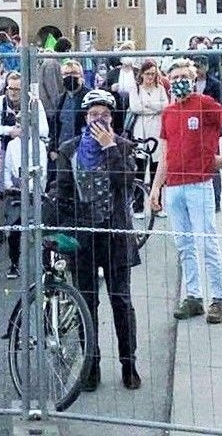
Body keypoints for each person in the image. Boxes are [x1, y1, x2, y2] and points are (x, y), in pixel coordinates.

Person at [53, 89, 141, 391]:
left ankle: (129, 364)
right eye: (93, 115)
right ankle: (91, 366)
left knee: (121, 301)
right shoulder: (70, 149)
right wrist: (65, 231)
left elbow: (127, 182)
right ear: (85, 117)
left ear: (112, 118)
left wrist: (111, 147)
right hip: (84, 239)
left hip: (115, 235)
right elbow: (62, 193)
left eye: (104, 115)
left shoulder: (125, 146)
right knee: (87, 302)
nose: (99, 120)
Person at [150, 59, 222, 324]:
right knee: (184, 244)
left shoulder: (204, 103)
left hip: (199, 183)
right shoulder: (168, 112)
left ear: (193, 79)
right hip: (175, 187)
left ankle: (219, 299)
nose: (179, 80)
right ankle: (193, 296)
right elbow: (165, 155)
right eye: (175, 76)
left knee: (207, 242)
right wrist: (156, 187)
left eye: (184, 76)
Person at [1, 112, 47, 279]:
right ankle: (14, 263)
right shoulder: (12, 145)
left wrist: (31, 187)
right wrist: (8, 185)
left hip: (33, 191)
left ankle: (43, 264)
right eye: (19, 125)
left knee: (37, 230)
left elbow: (42, 170)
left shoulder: (39, 145)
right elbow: (6, 167)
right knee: (14, 229)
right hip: (16, 190)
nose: (21, 129)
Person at [128, 59, 169, 218]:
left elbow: (165, 106)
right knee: (139, 169)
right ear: (142, 74)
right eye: (147, 74)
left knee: (156, 170)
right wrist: (155, 106)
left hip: (157, 131)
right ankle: (138, 206)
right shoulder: (136, 89)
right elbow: (136, 107)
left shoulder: (160, 88)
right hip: (141, 132)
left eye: (153, 74)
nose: (150, 77)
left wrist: (148, 105)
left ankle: (156, 205)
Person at [192, 55, 222, 212]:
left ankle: (216, 199)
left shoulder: (215, 84)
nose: (199, 70)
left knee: (212, 165)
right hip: (191, 130)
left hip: (210, 131)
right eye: (196, 67)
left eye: (201, 67)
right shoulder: (188, 84)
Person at [48, 60, 90, 163]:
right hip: (60, 153)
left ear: (81, 76)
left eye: (74, 73)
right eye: (66, 74)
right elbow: (55, 126)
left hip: (81, 152)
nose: (70, 77)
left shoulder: (89, 97)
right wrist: (52, 149)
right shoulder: (60, 99)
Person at [39, 37, 73, 125]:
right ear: (66, 50)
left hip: (49, 107)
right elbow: (52, 88)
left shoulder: (52, 62)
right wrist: (58, 107)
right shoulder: (52, 63)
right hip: (49, 108)